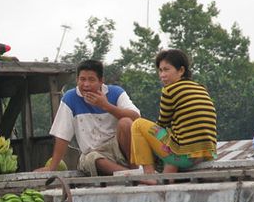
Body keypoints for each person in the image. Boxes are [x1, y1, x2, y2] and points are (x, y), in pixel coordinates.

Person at [38, 59, 140, 175]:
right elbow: (62, 136)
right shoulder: (70, 98)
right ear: (77, 80)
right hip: (93, 153)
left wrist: (106, 106)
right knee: (92, 158)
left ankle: (135, 169)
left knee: (126, 122)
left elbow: (136, 118)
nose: (86, 84)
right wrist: (52, 167)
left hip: (118, 150)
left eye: (91, 80)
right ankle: (134, 175)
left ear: (101, 81)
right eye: (82, 79)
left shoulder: (116, 93)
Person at [130, 49, 217, 177]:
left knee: (138, 124)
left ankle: (148, 175)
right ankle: (168, 178)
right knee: (174, 136)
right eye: (160, 70)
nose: (162, 75)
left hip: (184, 157)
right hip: (207, 155)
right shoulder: (200, 87)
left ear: (181, 70)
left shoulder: (170, 90)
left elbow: (162, 123)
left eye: (166, 69)